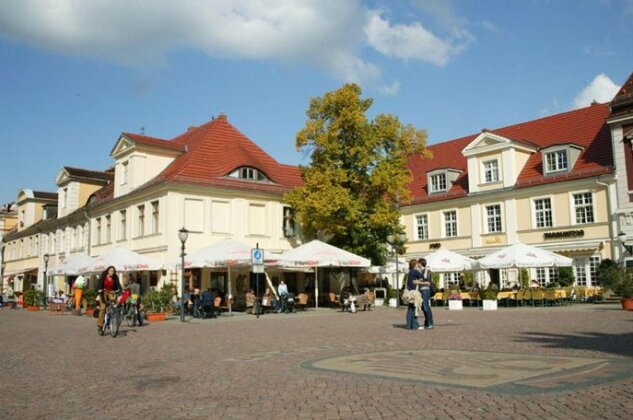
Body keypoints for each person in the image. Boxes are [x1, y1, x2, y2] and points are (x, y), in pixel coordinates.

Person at [95, 265, 122, 335]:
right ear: (108, 271)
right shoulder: (104, 275)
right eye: (110, 271)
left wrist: (120, 292)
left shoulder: (115, 277)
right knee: (103, 308)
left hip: (111, 292)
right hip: (103, 292)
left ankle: (113, 319)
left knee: (115, 307)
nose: (112, 272)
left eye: (113, 271)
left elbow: (118, 285)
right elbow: (99, 283)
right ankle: (100, 326)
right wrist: (99, 290)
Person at [405, 259, 425, 330]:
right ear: (415, 265)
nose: (418, 265)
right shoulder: (415, 271)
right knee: (414, 309)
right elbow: (423, 277)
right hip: (414, 292)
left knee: (410, 309)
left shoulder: (410, 272)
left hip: (409, 292)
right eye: (417, 264)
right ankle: (414, 325)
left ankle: (408, 325)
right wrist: (421, 269)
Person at [418, 258, 434, 329]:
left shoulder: (426, 270)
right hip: (421, 290)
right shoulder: (422, 270)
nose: (417, 264)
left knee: (426, 306)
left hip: (425, 290)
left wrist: (426, 269)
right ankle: (427, 323)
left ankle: (430, 323)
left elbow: (425, 278)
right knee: (424, 307)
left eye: (418, 263)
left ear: (420, 263)